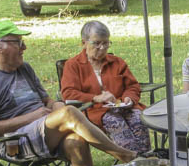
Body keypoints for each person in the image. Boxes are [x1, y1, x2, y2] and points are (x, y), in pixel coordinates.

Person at [0, 20, 138, 166]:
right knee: (69, 112)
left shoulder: (24, 69)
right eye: (18, 42)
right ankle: (124, 155)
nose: (24, 47)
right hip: (17, 141)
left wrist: (57, 106)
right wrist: (33, 117)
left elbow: (47, 101)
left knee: (76, 141)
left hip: (44, 130)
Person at [60, 20, 150, 154]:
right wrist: (95, 98)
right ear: (84, 43)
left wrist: (128, 98)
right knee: (116, 122)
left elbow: (132, 86)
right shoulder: (73, 65)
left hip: (124, 107)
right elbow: (68, 93)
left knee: (139, 119)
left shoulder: (117, 62)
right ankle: (133, 159)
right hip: (94, 111)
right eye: (96, 43)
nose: (102, 48)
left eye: (105, 43)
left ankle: (146, 158)